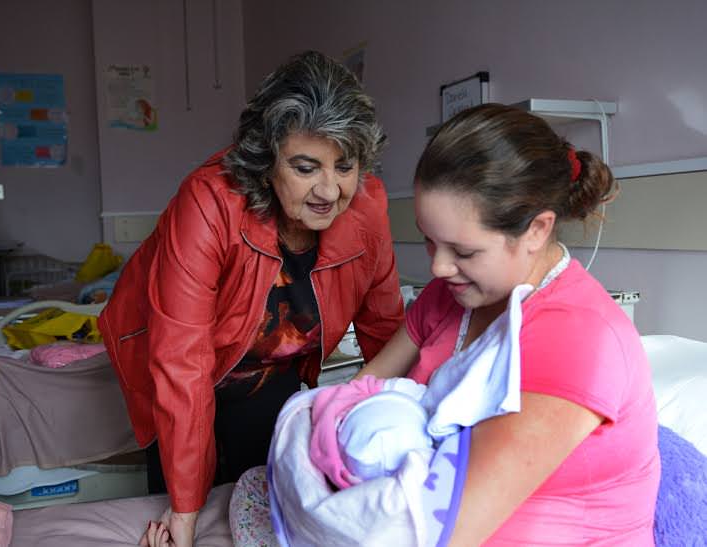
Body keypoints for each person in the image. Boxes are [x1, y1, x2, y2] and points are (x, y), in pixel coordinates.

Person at [230, 103, 660, 546]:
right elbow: (354, 395)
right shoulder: (451, 296)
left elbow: (449, 529)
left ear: (536, 229)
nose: (438, 267)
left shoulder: (578, 339)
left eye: (463, 251)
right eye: (429, 240)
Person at [99, 50, 404, 547]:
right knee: (191, 502)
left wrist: (409, 452)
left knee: (263, 504)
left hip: (272, 375)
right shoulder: (209, 201)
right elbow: (182, 363)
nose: (330, 189)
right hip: (182, 369)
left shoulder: (368, 208)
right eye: (306, 168)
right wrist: (183, 513)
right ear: (266, 162)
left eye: (345, 166)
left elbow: (389, 334)